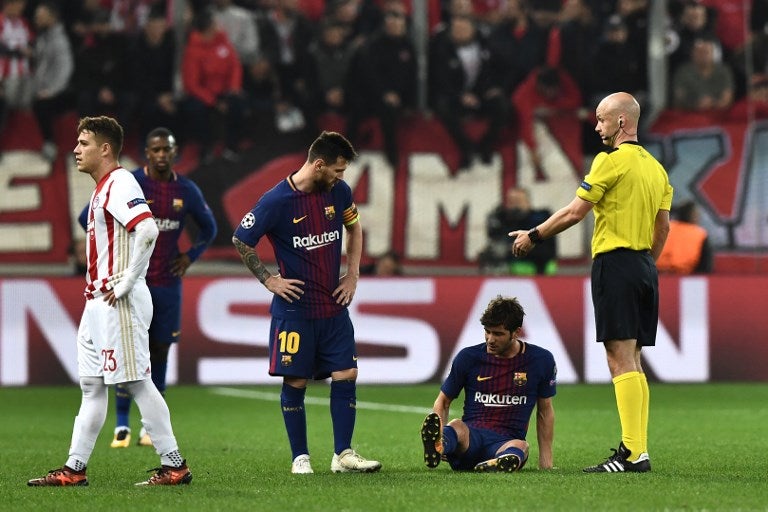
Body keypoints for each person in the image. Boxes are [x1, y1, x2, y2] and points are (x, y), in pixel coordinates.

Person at [510, 92, 673, 473]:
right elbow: (663, 227)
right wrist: (645, 264)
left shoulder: (608, 161)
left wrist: (534, 235)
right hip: (644, 266)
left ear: (621, 122)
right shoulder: (657, 170)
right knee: (633, 359)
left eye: (601, 119)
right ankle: (637, 449)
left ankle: (633, 454)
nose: (597, 126)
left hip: (616, 263)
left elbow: (575, 212)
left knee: (619, 358)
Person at [28, 116, 192, 487]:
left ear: (105, 149)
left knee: (137, 382)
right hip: (97, 302)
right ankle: (74, 469)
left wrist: (128, 281)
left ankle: (174, 465)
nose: (76, 149)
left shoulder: (120, 183)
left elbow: (147, 229)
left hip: (120, 301)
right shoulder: (102, 189)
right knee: (91, 386)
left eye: (83, 143)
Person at [231, 131, 381, 475]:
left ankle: (343, 454)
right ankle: (300, 457)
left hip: (332, 307)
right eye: (338, 170)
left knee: (347, 373)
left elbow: (355, 228)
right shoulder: (276, 201)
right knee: (296, 381)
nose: (342, 177)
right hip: (295, 310)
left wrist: (352, 274)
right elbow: (241, 239)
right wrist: (269, 280)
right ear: (319, 165)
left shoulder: (338, 193)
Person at [77, 127, 218, 448]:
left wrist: (189, 257)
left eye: (167, 149)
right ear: (147, 153)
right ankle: (122, 425)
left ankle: (147, 432)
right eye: (156, 149)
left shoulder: (186, 190)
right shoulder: (129, 183)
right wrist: (115, 255)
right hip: (131, 283)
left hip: (167, 282)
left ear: (174, 152)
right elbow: (87, 218)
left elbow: (209, 228)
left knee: (159, 350)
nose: (161, 155)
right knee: (126, 354)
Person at [420, 295, 556, 473]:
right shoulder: (468, 357)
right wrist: (439, 434)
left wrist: (546, 461)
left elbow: (545, 411)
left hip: (504, 442)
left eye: (498, 334)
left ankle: (496, 464)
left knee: (521, 445)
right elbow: (443, 401)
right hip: (469, 441)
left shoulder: (540, 360)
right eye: (487, 331)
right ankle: (440, 445)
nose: (490, 339)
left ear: (516, 332)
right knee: (456, 426)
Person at [31, 1, 74, 163]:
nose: (37, 19)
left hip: (60, 91)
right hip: (41, 87)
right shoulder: (43, 36)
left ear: (52, 17)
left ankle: (49, 144)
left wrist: (51, 91)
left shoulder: (60, 40)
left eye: (41, 16)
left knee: (41, 105)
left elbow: (65, 69)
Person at [477, 187, 556, 275]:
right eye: (511, 202)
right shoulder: (503, 220)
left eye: (518, 201)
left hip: (540, 271)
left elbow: (546, 251)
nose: (514, 206)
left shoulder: (540, 220)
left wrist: (510, 249)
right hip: (511, 273)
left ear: (528, 202)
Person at [656, 200, 712, 274]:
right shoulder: (699, 233)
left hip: (657, 272)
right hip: (686, 274)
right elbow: (706, 266)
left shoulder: (663, 227)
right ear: (693, 216)